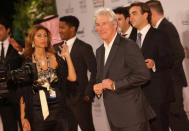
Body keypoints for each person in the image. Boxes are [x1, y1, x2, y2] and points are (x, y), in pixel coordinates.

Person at [93, 7, 155, 131]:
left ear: (115, 24)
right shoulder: (99, 51)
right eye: (97, 25)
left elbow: (143, 75)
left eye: (104, 24)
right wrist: (98, 86)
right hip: (113, 117)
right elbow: (102, 77)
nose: (100, 28)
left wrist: (115, 85)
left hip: (132, 116)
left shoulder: (128, 45)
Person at [19, 24, 77, 131]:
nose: (43, 39)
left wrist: (67, 57)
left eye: (45, 36)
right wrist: (23, 118)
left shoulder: (55, 57)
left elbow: (72, 78)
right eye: (39, 36)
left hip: (59, 109)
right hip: (38, 112)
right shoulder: (27, 63)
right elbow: (23, 93)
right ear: (32, 40)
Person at [129, 2, 173, 131]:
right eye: (130, 14)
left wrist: (155, 64)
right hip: (136, 95)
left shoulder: (160, 34)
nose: (131, 17)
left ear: (145, 15)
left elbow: (170, 59)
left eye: (134, 13)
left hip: (157, 94)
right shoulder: (129, 39)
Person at [145, 1, 189, 130]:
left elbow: (179, 54)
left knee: (177, 117)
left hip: (173, 82)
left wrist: (165, 74)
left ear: (151, 13)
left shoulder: (166, 27)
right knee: (171, 118)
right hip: (167, 84)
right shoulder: (161, 28)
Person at [54, 15, 96, 131]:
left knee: (87, 128)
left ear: (72, 29)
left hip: (80, 99)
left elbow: (95, 71)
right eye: (59, 27)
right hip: (62, 99)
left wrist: (88, 94)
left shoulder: (84, 48)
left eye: (63, 27)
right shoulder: (55, 48)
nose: (59, 30)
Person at [0, 17, 23, 131]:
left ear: (8, 30)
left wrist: (19, 49)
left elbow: (29, 61)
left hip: (19, 93)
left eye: (0, 29)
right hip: (2, 96)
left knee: (25, 125)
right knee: (9, 127)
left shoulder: (18, 45)